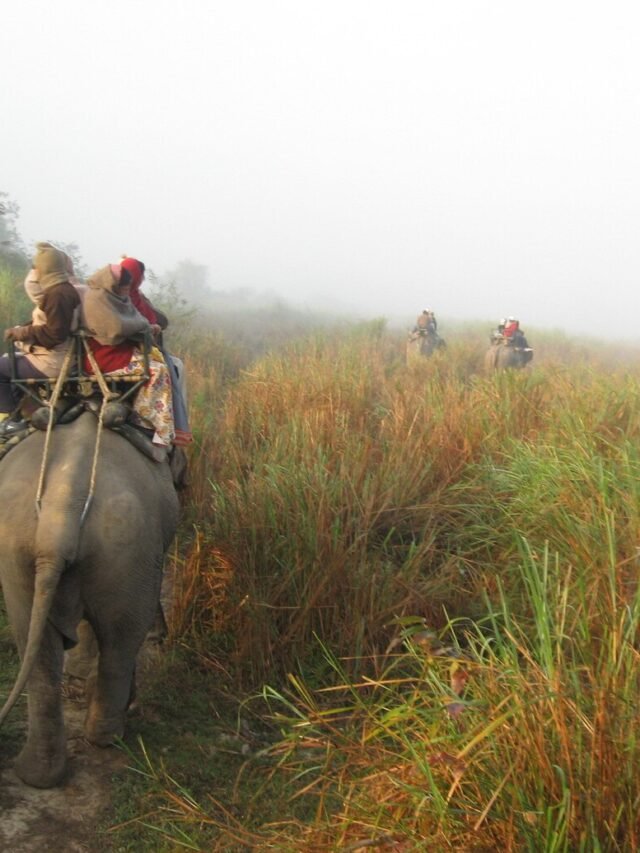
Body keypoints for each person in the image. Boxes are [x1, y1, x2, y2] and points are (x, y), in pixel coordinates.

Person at [82, 263, 175, 455]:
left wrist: (144, 326)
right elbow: (116, 327)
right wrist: (145, 328)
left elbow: (133, 319)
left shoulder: (110, 296)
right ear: (115, 284)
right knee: (158, 370)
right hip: (105, 358)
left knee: (156, 361)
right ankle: (145, 420)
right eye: (125, 287)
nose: (127, 291)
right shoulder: (97, 300)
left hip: (114, 352)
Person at [0, 242, 81, 435]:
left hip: (52, 362)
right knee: (9, 360)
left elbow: (55, 335)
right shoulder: (65, 289)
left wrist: (22, 333)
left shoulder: (56, 295)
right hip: (61, 357)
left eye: (37, 268)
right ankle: (24, 410)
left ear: (43, 270)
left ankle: (11, 419)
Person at [119, 256, 192, 446]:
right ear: (137, 277)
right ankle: (173, 425)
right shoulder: (131, 298)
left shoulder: (110, 296)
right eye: (141, 276)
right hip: (129, 353)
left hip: (96, 357)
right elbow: (159, 321)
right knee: (174, 367)